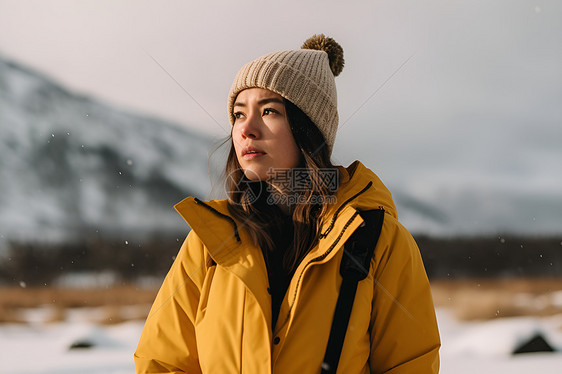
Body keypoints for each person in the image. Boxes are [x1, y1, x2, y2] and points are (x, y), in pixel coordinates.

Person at [134, 34, 440, 373]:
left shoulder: (379, 240)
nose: (246, 129)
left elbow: (410, 365)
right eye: (238, 114)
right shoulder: (210, 243)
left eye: (268, 111)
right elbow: (161, 362)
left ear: (307, 127)